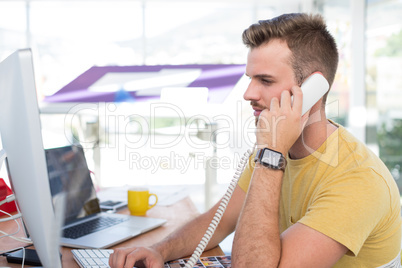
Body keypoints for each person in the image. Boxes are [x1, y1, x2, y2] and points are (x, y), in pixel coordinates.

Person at [109, 13, 402, 267]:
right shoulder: (273, 146)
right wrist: (157, 250)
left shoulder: (356, 180)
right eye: (250, 79)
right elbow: (219, 220)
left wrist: (271, 153)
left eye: (265, 80)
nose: (248, 93)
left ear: (313, 88)